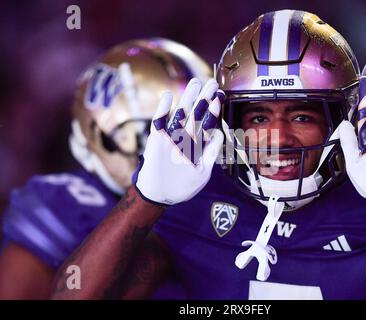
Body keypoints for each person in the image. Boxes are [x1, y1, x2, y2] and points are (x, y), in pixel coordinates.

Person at [51, 10, 366, 300]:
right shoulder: (193, 192)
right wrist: (144, 200)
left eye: (301, 114)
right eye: (258, 115)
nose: (276, 137)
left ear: (343, 118)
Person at [0, 38, 211, 299]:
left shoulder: (215, 203)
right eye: (164, 130)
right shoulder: (66, 203)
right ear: (103, 130)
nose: (188, 140)